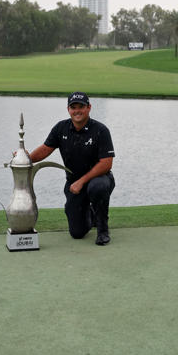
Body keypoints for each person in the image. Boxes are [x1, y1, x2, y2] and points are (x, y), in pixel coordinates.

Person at [29, 92, 116, 245]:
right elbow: (45, 149)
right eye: (73, 107)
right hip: (74, 184)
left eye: (81, 107)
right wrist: (25, 158)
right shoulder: (61, 128)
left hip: (100, 178)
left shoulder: (101, 130)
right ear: (68, 109)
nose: (77, 111)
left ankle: (103, 230)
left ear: (89, 108)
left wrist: (82, 181)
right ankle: (91, 213)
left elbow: (106, 163)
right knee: (77, 233)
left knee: (98, 187)